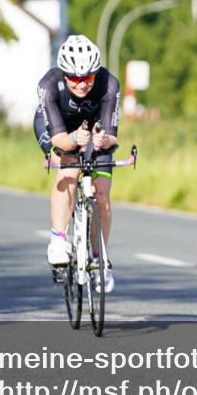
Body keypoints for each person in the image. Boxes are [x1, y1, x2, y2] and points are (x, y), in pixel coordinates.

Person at [34, 34, 120, 293]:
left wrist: (102, 139)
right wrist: (72, 140)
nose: (82, 84)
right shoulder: (49, 85)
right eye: (74, 77)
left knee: (102, 195)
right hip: (59, 129)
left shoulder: (108, 84)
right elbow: (60, 138)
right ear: (63, 74)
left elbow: (113, 135)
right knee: (69, 172)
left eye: (88, 78)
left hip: (95, 132)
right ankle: (58, 240)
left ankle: (98, 259)